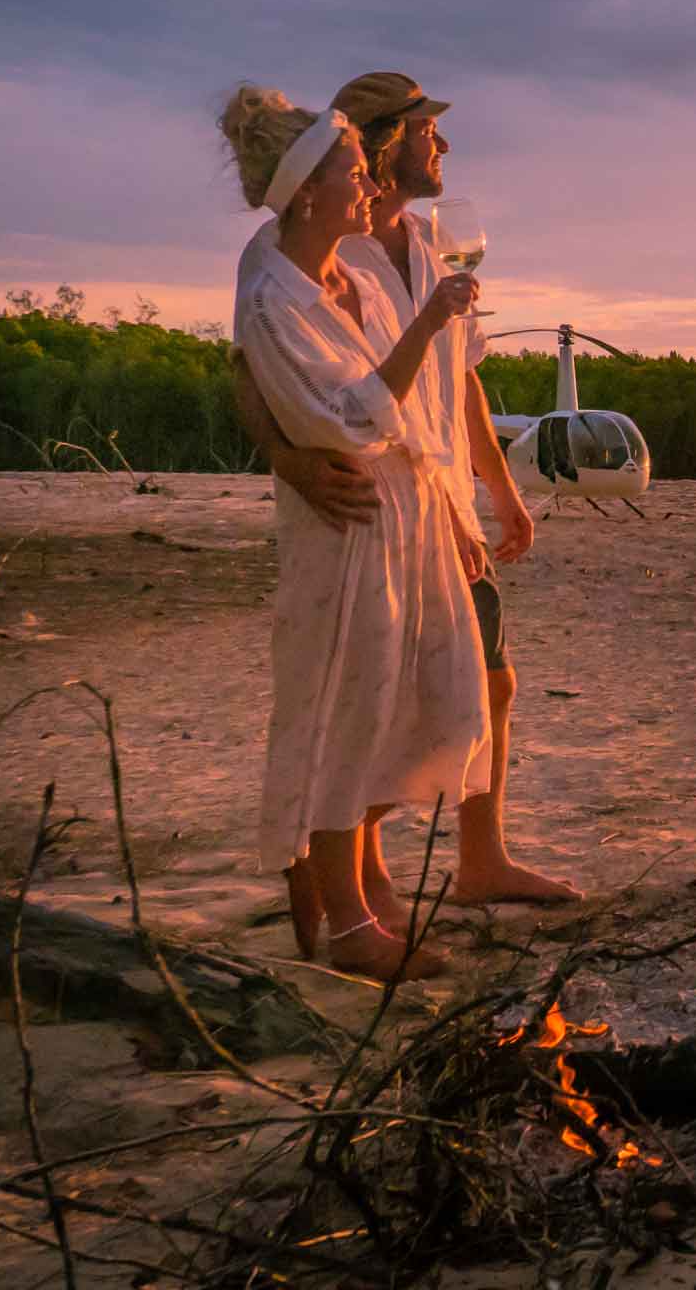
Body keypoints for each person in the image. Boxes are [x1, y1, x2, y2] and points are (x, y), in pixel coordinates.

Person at [233, 73, 578, 951]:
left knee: (458, 682)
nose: (445, 147)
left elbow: (459, 379)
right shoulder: (308, 250)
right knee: (372, 698)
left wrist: (496, 490)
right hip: (365, 504)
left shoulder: (420, 241)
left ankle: (448, 865)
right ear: (386, 140)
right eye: (430, 131)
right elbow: (258, 372)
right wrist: (288, 459)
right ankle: (358, 889)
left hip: (435, 498)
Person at [220, 85, 486, 979]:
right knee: (334, 710)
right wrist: (290, 457)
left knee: (381, 707)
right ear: (305, 190)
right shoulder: (273, 285)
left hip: (406, 512)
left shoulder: (360, 266)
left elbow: (431, 404)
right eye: (353, 167)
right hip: (347, 519)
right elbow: (359, 412)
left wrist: (462, 504)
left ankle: (358, 903)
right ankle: (336, 923)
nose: (367, 180)